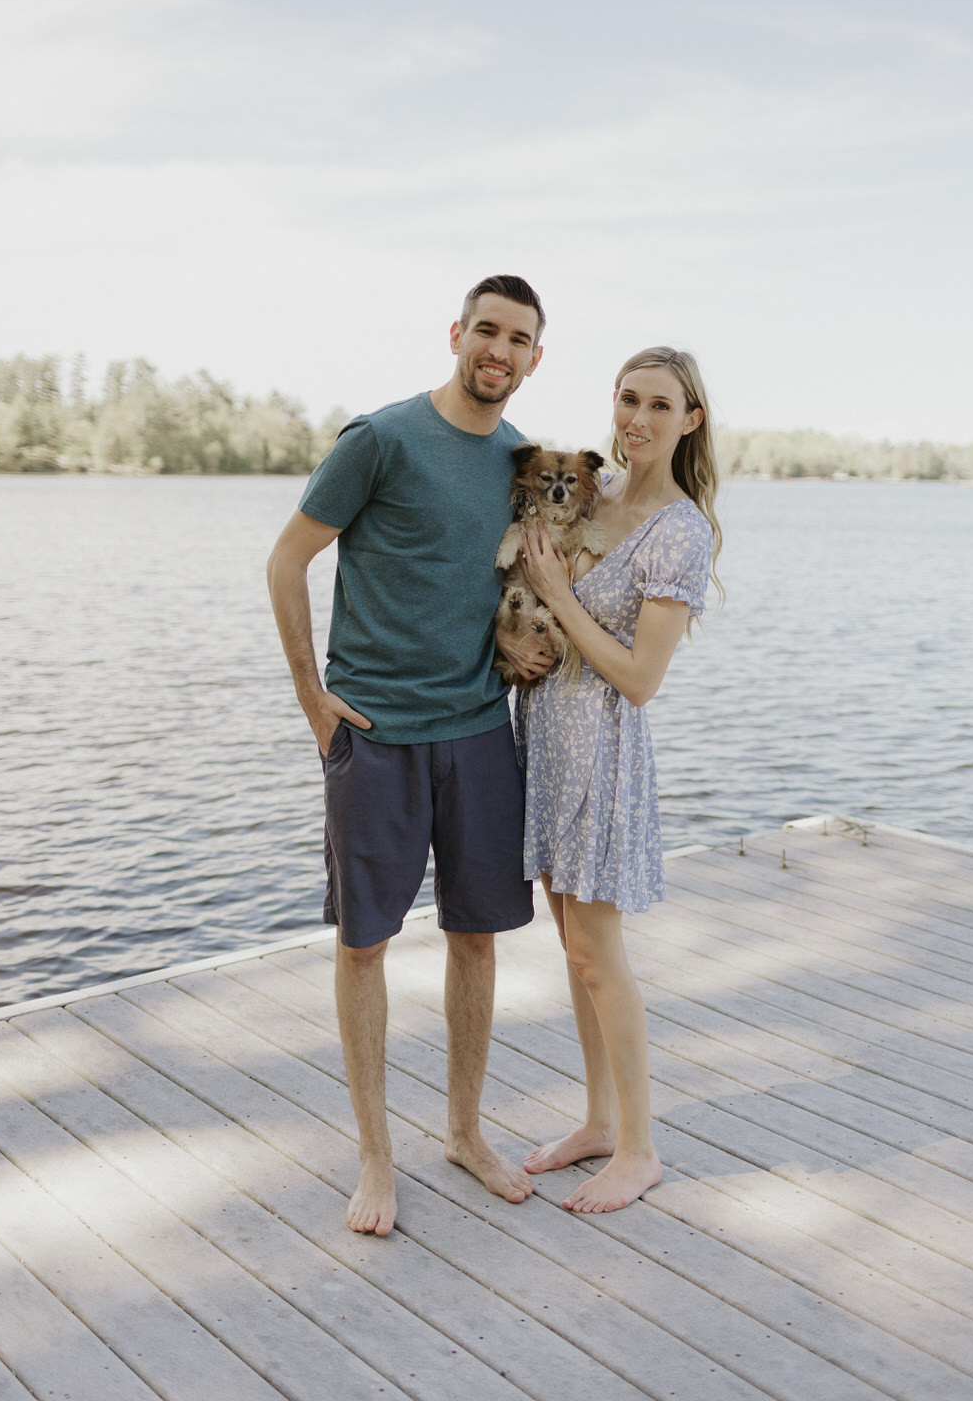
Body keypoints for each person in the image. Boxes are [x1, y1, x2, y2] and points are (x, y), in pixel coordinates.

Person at [266, 274, 554, 1237]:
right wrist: (314, 701)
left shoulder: (522, 461)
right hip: (376, 739)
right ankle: (375, 1157)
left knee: (475, 938)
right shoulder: (379, 440)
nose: (498, 351)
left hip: (480, 737)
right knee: (364, 944)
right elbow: (286, 560)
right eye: (485, 330)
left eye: (518, 339)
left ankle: (465, 1132)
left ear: (534, 357)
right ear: (456, 334)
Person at [515, 345, 723, 1214]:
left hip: (600, 748)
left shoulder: (678, 528)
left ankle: (639, 1148)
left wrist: (559, 600)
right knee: (572, 950)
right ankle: (598, 1121)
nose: (636, 419)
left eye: (658, 405)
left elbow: (639, 680)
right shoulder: (592, 494)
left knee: (600, 957)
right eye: (626, 399)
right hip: (546, 741)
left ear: (690, 420)